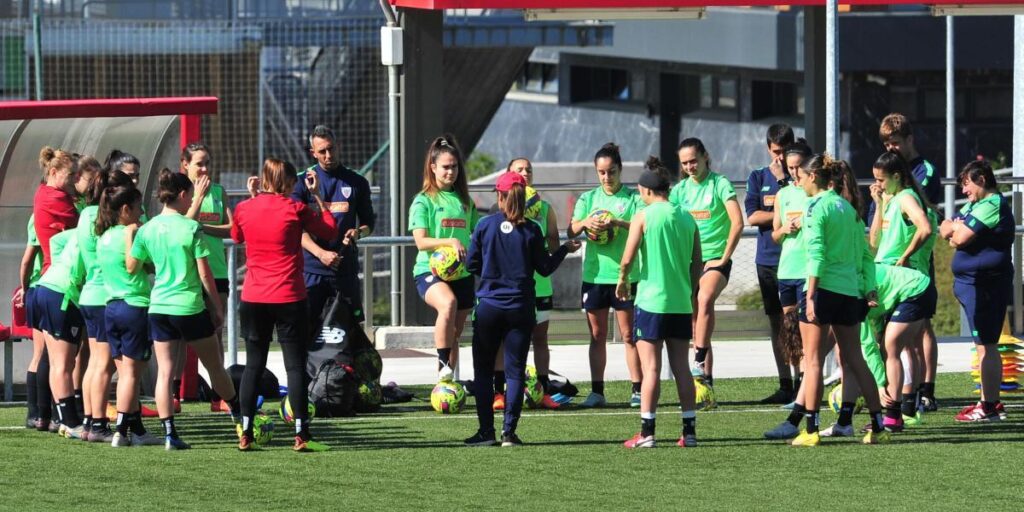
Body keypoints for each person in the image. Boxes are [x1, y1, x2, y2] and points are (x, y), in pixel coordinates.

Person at [462, 172, 579, 447]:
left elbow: (471, 266)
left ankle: (486, 432)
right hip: (521, 307)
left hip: (489, 306)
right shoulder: (532, 230)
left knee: (484, 372)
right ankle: (509, 433)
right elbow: (545, 268)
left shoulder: (484, 225)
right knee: (515, 372)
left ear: (500, 197)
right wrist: (564, 249)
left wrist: (492, 272)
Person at [129, 169, 240, 450]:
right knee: (214, 365)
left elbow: (138, 264)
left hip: (159, 306)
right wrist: (217, 308)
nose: (192, 199)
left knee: (165, 372)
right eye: (190, 195)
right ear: (182, 195)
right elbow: (205, 275)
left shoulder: (147, 228)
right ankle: (240, 415)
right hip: (188, 306)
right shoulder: (191, 228)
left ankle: (169, 435)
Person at [234, 158, 337, 452]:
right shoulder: (296, 208)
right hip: (289, 297)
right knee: (294, 366)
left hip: (253, 297)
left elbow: (237, 234)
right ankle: (301, 433)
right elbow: (329, 229)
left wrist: (253, 198)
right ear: (289, 183)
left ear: (263, 180)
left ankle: (245, 432)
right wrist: (318, 195)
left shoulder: (245, 208)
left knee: (254, 365)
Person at [791, 154, 889, 446]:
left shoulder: (814, 207)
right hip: (848, 292)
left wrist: (810, 294)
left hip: (824, 290)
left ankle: (811, 430)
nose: (798, 181)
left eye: (802, 177)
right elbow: (864, 256)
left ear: (813, 178)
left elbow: (817, 254)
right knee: (855, 359)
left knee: (812, 361)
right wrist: (868, 289)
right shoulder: (848, 209)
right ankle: (878, 425)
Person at [618, 157, 702, 448]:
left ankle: (647, 433)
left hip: (652, 302)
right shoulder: (686, 217)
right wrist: (689, 291)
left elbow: (628, 257)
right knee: (681, 367)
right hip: (680, 303)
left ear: (646, 191)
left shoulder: (644, 215)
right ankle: (689, 432)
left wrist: (622, 280)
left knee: (651, 369)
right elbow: (698, 262)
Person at [567, 143, 643, 408]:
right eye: (601, 172)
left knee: (629, 336)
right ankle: (597, 391)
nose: (607, 177)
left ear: (620, 170)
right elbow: (572, 229)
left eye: (611, 171)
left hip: (626, 276)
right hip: (595, 277)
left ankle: (637, 391)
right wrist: (586, 222)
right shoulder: (588, 199)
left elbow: (642, 226)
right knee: (596, 335)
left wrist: (617, 223)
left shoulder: (633, 198)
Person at [878, 113, 943, 410]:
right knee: (898, 335)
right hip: (890, 268)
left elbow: (923, 217)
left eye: (895, 143)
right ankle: (904, 394)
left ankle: (923, 390)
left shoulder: (921, 172)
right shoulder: (890, 179)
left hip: (913, 264)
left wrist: (904, 255)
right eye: (887, 143)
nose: (891, 148)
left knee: (920, 329)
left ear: (909, 140)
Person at [939, 160, 1013, 423]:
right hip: (974, 283)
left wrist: (954, 228)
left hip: (987, 284)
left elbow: (956, 237)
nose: (964, 192)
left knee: (987, 346)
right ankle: (988, 401)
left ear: (981, 179)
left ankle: (990, 406)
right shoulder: (976, 205)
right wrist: (953, 228)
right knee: (982, 345)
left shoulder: (992, 204)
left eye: (967, 184)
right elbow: (948, 231)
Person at [868, 150, 937, 430]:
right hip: (888, 278)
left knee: (896, 345)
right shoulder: (891, 199)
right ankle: (904, 406)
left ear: (897, 176)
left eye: (881, 180)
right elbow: (874, 241)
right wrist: (879, 204)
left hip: (907, 280)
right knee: (898, 346)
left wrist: (906, 255)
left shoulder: (906, 197)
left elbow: (925, 227)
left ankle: (902, 407)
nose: (878, 184)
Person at [669, 138, 743, 392]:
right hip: (689, 261)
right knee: (694, 321)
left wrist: (724, 256)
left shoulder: (720, 184)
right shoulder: (679, 191)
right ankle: (705, 382)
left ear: (704, 157)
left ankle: (698, 359)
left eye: (693, 161)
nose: (690, 166)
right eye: (685, 163)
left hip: (714, 259)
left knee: (705, 298)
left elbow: (737, 222)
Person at [96, 181, 163, 447]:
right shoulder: (131, 233)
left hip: (111, 307)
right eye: (138, 208)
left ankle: (137, 430)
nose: (141, 213)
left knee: (126, 373)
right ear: (125, 209)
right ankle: (121, 431)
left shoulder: (103, 237)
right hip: (134, 307)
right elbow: (140, 265)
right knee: (131, 375)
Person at [292, 125, 375, 337]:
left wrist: (358, 233)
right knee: (309, 332)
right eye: (322, 151)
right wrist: (320, 253)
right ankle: (308, 371)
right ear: (313, 153)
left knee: (348, 332)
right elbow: (294, 228)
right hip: (312, 271)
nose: (328, 155)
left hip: (345, 270)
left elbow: (369, 224)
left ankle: (347, 371)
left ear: (338, 146)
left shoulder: (357, 182)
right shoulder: (301, 182)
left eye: (331, 148)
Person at [495, 158, 563, 410]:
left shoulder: (545, 208)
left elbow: (554, 244)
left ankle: (542, 390)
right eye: (519, 170)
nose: (525, 173)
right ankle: (499, 392)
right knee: (505, 340)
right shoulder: (499, 207)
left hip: (540, 283)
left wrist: (544, 246)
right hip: (511, 287)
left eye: (528, 170)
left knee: (540, 338)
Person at [409, 135, 479, 379]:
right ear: (433, 168)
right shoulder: (423, 200)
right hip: (430, 271)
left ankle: (448, 384)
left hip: (462, 273)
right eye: (446, 167)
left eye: (455, 166)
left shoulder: (465, 201)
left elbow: (478, 235)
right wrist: (450, 241)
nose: (451, 171)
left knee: (455, 333)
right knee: (447, 304)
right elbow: (421, 241)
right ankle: (442, 365)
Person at [762, 140, 815, 440]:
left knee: (809, 333)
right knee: (791, 332)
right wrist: (786, 229)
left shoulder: (812, 194)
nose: (794, 173)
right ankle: (799, 386)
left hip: (809, 272)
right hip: (787, 270)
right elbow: (775, 234)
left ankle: (809, 386)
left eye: (798, 167)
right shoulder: (783, 194)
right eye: (790, 167)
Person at [744, 124, 797, 403]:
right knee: (777, 324)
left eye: (785, 151)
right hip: (767, 260)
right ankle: (785, 383)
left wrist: (782, 185)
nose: (780, 158)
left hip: (795, 261)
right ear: (768, 149)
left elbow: (803, 206)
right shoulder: (757, 176)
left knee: (796, 323)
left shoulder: (799, 177)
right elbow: (752, 216)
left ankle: (802, 381)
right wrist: (781, 217)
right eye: (776, 151)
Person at [75, 157, 118, 443]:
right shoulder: (105, 219)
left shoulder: (83, 215)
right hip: (104, 294)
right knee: (104, 364)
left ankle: (91, 420)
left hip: (89, 292)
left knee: (94, 363)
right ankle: (99, 424)